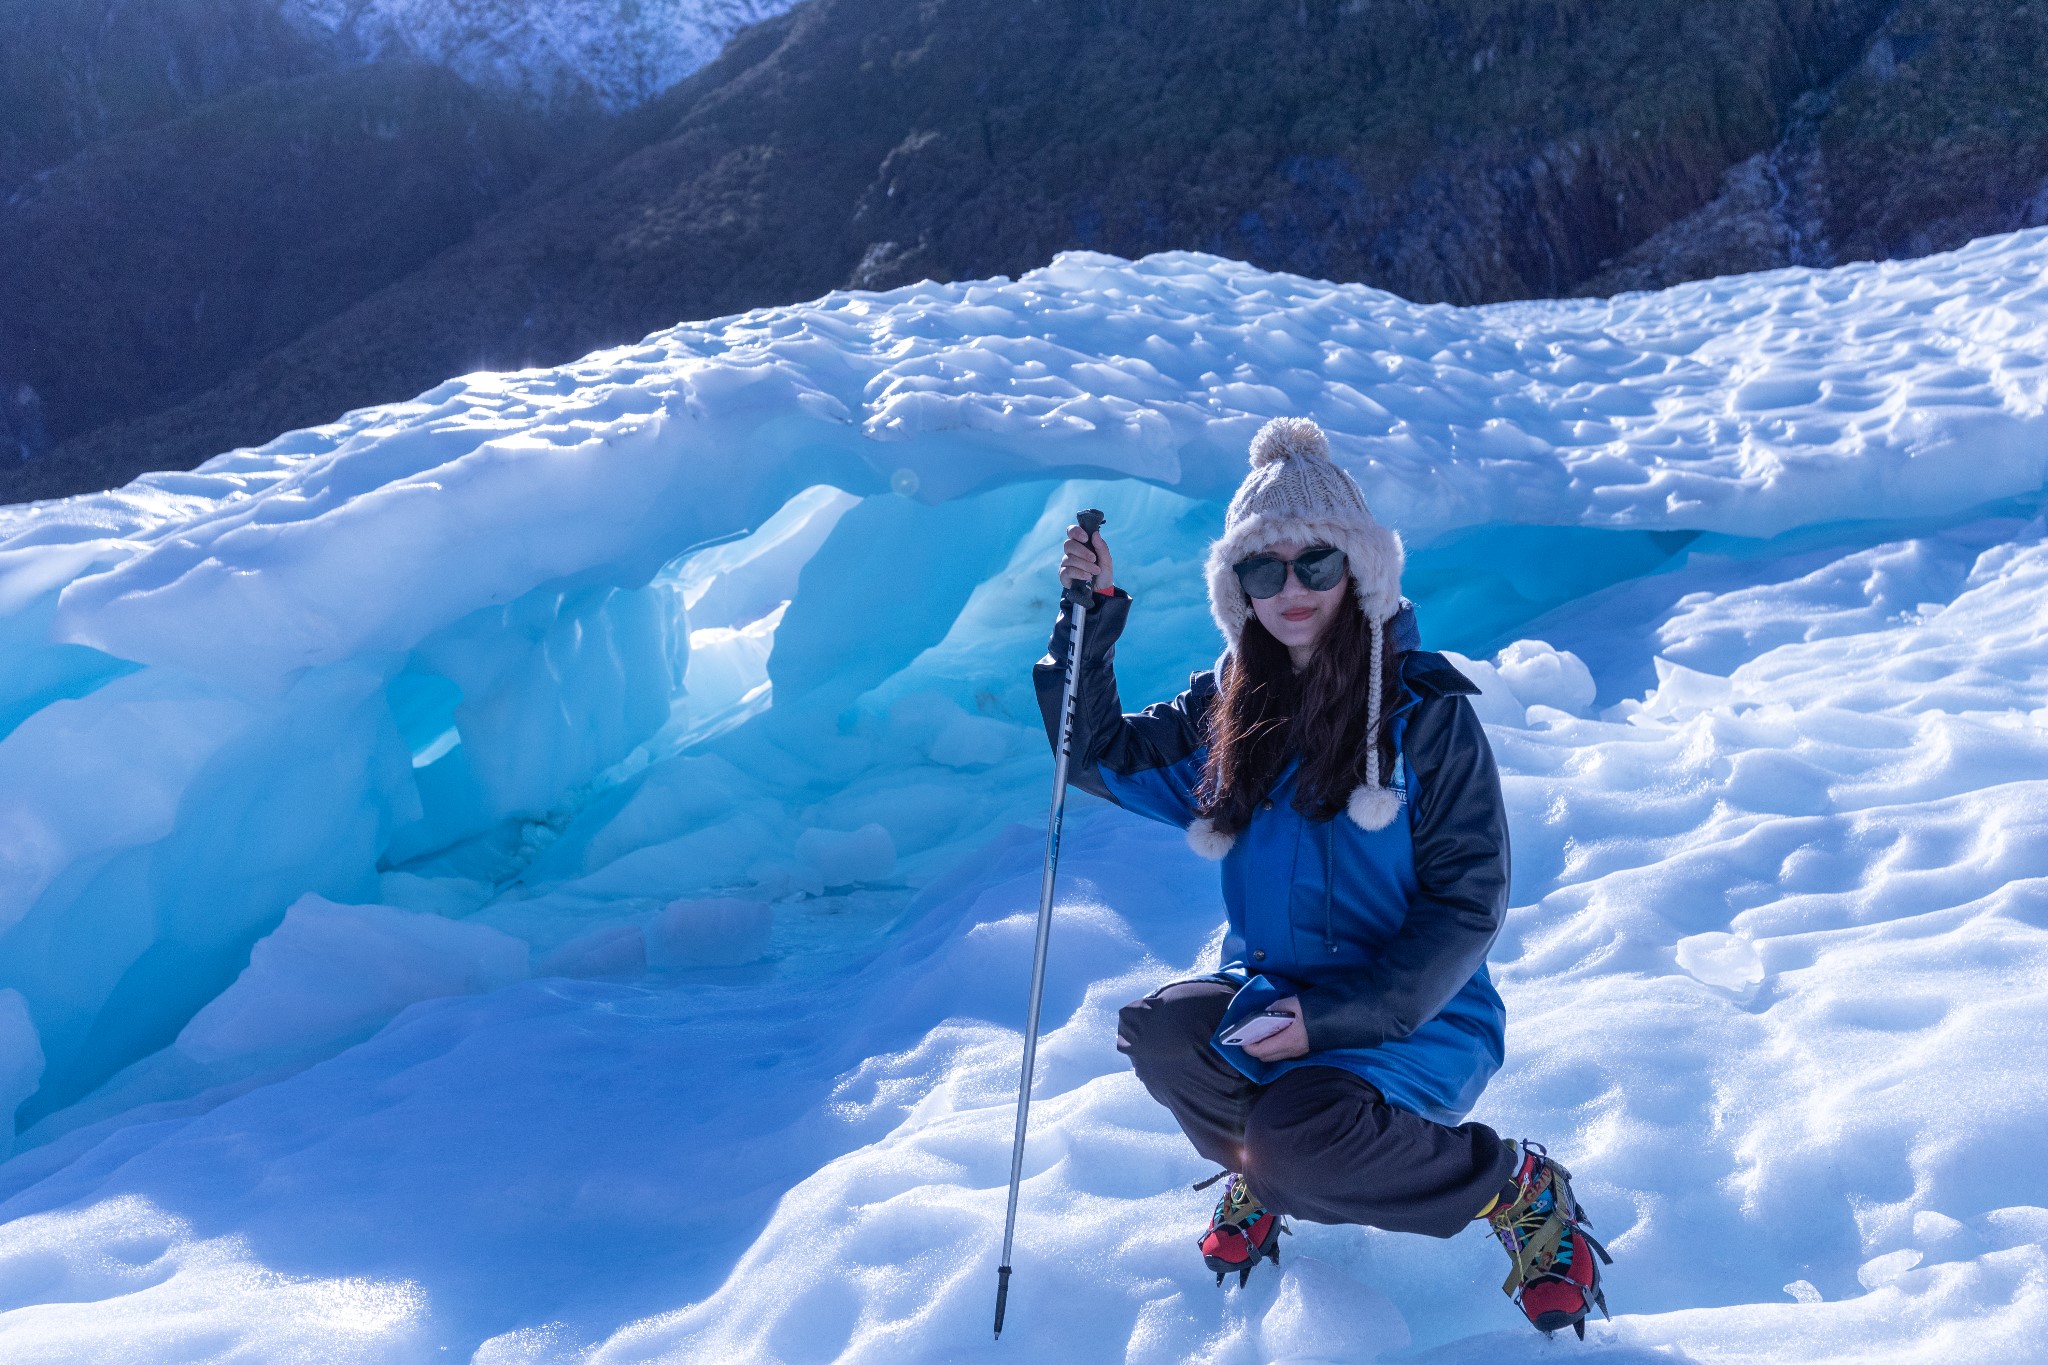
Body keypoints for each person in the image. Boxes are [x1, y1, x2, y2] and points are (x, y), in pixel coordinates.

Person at [1031, 417, 1609, 1339]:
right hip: (1275, 993)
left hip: (1415, 1013)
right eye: (1264, 569)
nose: (1290, 589)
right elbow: (1095, 754)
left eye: (1317, 563)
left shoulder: (1423, 714)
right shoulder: (1225, 711)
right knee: (1164, 1033)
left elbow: (1469, 903)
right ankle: (1267, 1172)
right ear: (1237, 587)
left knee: (1299, 1138)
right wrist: (1088, 622)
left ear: (1361, 570)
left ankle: (1513, 1187)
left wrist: (1337, 1020)